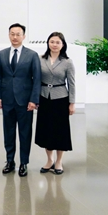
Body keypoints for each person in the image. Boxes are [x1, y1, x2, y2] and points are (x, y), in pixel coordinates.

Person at [0, 23, 41, 177]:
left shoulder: (32, 55)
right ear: (9, 35)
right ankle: (10, 161)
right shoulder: (2, 54)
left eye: (18, 34)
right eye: (12, 34)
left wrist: (33, 100)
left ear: (24, 36)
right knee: (8, 132)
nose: (15, 37)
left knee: (25, 133)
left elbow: (37, 79)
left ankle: (24, 162)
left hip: (25, 101)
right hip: (7, 100)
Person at [35, 32, 75, 175]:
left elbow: (72, 83)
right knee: (46, 130)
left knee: (60, 131)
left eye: (58, 42)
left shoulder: (67, 62)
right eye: (52, 42)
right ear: (48, 43)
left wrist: (72, 103)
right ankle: (49, 160)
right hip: (44, 97)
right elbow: (36, 79)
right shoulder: (40, 59)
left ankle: (59, 161)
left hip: (60, 98)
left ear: (63, 45)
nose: (54, 45)